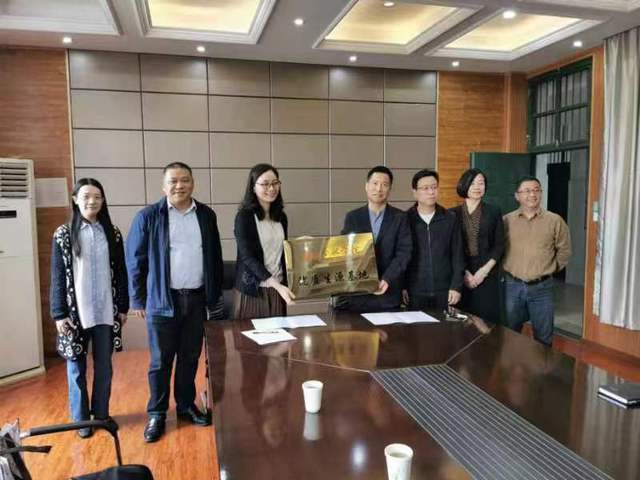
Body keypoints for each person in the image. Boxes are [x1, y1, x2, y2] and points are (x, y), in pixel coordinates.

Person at [126, 162, 223, 442]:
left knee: (190, 357)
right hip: (161, 300)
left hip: (196, 298)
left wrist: (213, 296)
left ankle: (185, 406)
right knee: (160, 360)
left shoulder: (206, 215)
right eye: (173, 181)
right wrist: (138, 299)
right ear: (164, 186)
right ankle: (156, 413)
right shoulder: (148, 216)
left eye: (185, 180)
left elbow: (214, 257)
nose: (179, 185)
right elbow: (135, 261)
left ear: (193, 183)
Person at [50, 178, 128, 438]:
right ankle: (81, 421)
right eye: (86, 196)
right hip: (75, 313)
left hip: (105, 310)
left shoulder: (112, 233)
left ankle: (102, 416)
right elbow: (57, 276)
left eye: (97, 197)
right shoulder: (63, 234)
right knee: (76, 368)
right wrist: (59, 313)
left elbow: (121, 272)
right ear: (75, 199)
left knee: (104, 366)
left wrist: (123, 306)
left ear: (103, 201)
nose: (91, 201)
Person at [503, 175, 571, 346]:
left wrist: (551, 268)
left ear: (541, 193)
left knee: (544, 337)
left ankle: (542, 365)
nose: (532, 194)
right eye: (526, 191)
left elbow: (564, 250)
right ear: (517, 195)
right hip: (512, 286)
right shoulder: (506, 221)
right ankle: (512, 363)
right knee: (509, 333)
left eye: (536, 190)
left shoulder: (554, 220)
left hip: (542, 288)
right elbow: (498, 249)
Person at [334, 165, 412, 312]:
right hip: (357, 296)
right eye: (375, 183)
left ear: (390, 189)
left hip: (388, 294)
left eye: (384, 184)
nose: (379, 189)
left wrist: (388, 278)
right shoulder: (353, 217)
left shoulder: (400, 218)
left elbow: (404, 253)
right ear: (366, 186)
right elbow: (345, 251)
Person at [233, 163, 295, 319]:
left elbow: (282, 252)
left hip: (278, 288)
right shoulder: (244, 217)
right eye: (265, 184)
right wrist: (275, 284)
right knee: (253, 334)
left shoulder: (281, 217)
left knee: (280, 333)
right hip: (254, 291)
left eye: (275, 183)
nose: (271, 188)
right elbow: (247, 257)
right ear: (253, 187)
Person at [404, 169, 464, 312]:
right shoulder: (405, 219)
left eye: (434, 187)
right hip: (415, 291)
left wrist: (456, 286)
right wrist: (402, 287)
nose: (431, 192)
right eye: (425, 188)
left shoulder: (450, 218)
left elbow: (458, 255)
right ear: (415, 192)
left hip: (445, 291)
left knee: (445, 326)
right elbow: (401, 257)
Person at [451, 168, 505, 323]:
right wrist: (464, 273)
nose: (477, 187)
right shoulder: (451, 214)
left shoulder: (493, 211)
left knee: (487, 322)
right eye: (472, 183)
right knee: (461, 322)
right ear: (464, 185)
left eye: (481, 183)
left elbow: (499, 245)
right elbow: (449, 248)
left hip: (486, 271)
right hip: (460, 271)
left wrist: (483, 272)